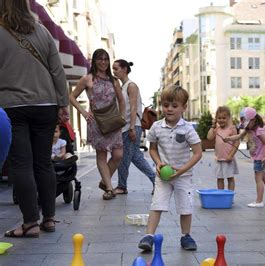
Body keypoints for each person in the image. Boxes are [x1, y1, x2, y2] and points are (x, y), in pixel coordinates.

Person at [1, 0, 69, 237]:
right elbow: (57, 70)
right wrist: (63, 103)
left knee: (21, 164)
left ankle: (30, 222)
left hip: (13, 105)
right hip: (46, 104)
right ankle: (49, 218)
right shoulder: (43, 31)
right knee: (43, 163)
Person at [138, 85, 202, 252]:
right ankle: (149, 236)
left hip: (183, 176)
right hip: (163, 176)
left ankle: (186, 236)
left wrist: (181, 171)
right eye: (166, 105)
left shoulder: (187, 128)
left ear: (183, 107)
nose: (169, 109)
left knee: (185, 207)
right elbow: (152, 148)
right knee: (157, 204)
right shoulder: (156, 127)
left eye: (174, 106)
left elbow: (197, 153)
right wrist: (158, 163)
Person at [69, 48, 125, 201]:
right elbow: (72, 97)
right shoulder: (88, 79)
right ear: (94, 61)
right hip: (96, 122)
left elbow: (121, 100)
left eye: (106, 59)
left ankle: (104, 181)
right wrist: (84, 112)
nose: (103, 62)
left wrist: (121, 116)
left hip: (113, 120)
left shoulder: (114, 80)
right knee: (101, 154)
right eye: (100, 59)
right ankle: (109, 187)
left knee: (118, 154)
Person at [112, 59, 155, 194]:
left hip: (132, 126)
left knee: (124, 157)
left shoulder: (131, 86)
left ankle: (122, 186)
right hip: (125, 127)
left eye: (116, 69)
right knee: (136, 157)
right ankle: (156, 181)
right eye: (113, 69)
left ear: (124, 69)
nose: (114, 72)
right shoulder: (122, 86)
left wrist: (131, 128)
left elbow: (134, 107)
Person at [225, 107, 265, 208]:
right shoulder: (249, 129)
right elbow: (238, 137)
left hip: (260, 158)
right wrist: (228, 138)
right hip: (259, 157)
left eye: (247, 122)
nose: (246, 125)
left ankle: (259, 201)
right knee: (264, 177)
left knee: (258, 179)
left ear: (253, 120)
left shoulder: (258, 130)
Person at [207, 106, 239, 190]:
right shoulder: (217, 129)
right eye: (219, 118)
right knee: (219, 178)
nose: (221, 120)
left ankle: (230, 195)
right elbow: (209, 137)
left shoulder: (232, 129)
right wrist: (212, 126)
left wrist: (231, 155)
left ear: (229, 118)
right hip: (218, 158)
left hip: (228, 158)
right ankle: (220, 195)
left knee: (230, 178)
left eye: (224, 118)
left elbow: (237, 142)